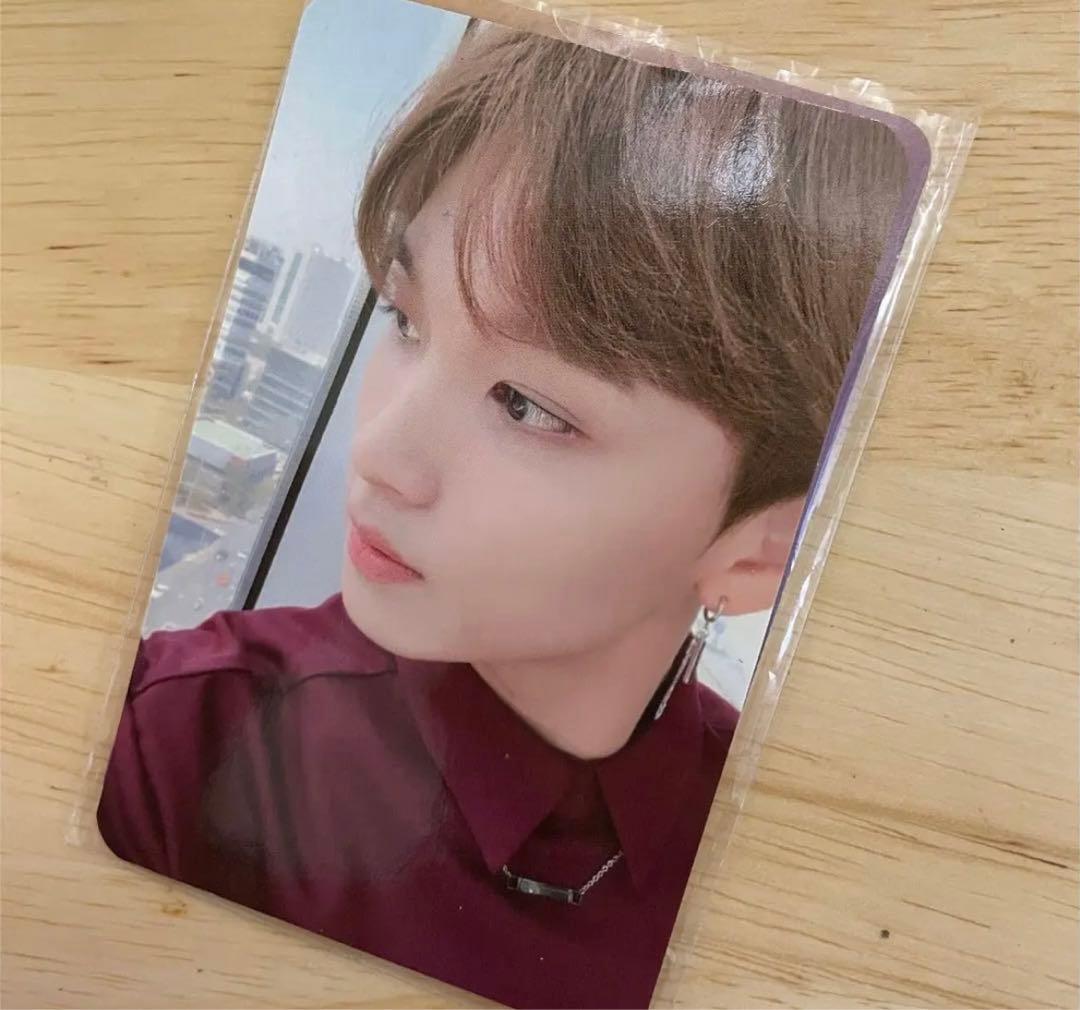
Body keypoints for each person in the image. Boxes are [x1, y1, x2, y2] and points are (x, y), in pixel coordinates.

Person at [96, 20, 911, 1010]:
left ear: (759, 556)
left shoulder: (809, 874)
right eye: (404, 318)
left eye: (527, 406)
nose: (381, 454)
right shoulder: (172, 748)